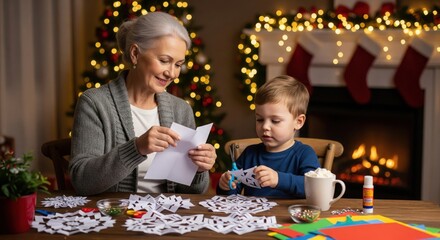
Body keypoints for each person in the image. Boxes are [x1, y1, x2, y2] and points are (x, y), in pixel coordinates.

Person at [70, 12, 216, 196]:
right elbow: (82, 181)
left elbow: (193, 192)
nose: (172, 73)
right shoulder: (95, 103)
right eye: (164, 61)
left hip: (167, 219)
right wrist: (137, 148)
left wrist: (199, 168)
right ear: (135, 54)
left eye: (178, 64)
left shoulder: (181, 110)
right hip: (114, 217)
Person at [217, 75, 320, 198]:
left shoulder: (304, 154)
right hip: (255, 216)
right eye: (260, 119)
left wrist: (278, 179)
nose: (265, 126)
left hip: (290, 216)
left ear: (298, 122)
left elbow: (315, 187)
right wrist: (226, 185)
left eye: (275, 121)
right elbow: (232, 194)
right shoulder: (250, 153)